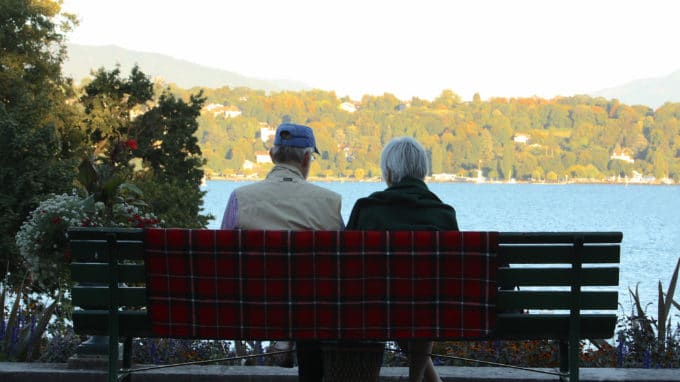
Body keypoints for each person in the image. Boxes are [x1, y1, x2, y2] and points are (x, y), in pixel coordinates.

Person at [221, 122, 344, 382]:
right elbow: (341, 266)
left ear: (272, 156)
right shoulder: (330, 202)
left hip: (251, 310)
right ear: (308, 159)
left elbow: (222, 258)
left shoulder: (240, 198)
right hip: (312, 315)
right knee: (311, 302)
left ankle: (282, 342)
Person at [346, 136, 458, 382]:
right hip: (430, 310)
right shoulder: (444, 215)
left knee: (395, 295)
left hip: (372, 308)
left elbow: (346, 268)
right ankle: (418, 379)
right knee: (421, 297)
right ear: (423, 172)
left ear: (387, 172)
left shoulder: (367, 210)